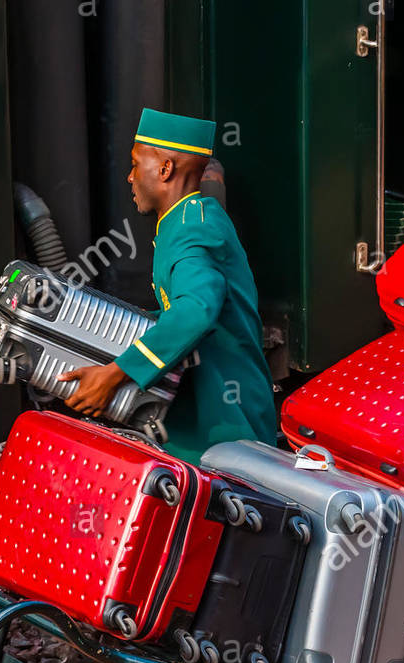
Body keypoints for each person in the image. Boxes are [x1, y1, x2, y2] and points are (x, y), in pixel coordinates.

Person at [58, 109, 276, 463]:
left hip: (227, 424)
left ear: (164, 170)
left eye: (134, 164)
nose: (129, 177)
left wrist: (116, 374)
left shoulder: (192, 231)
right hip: (213, 412)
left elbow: (195, 310)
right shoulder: (190, 217)